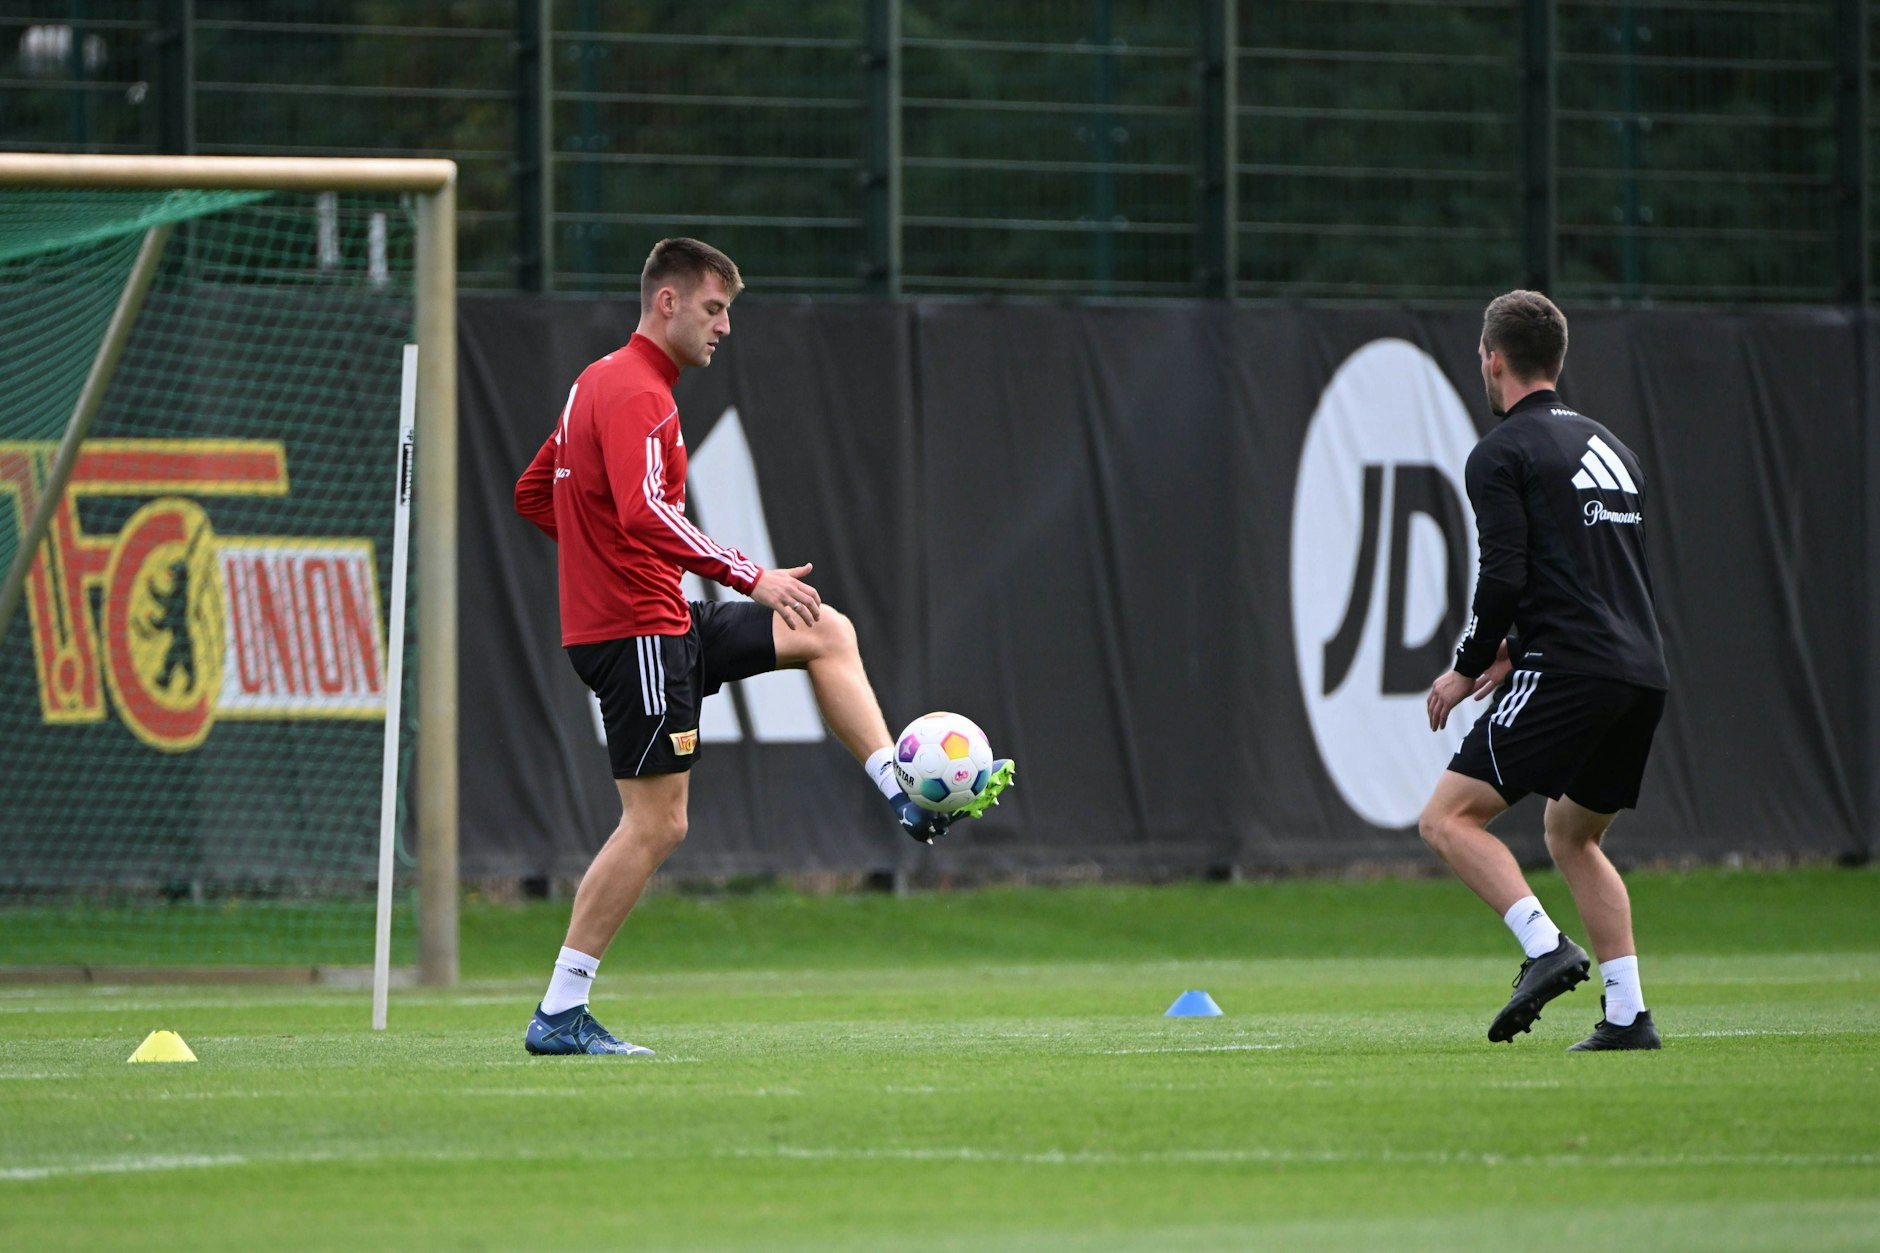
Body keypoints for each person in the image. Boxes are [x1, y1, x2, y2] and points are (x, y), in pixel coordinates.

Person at [513, 237, 1011, 1056]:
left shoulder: (593, 385)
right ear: (666, 302)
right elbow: (640, 511)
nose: (725, 328)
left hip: (658, 619)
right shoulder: (639, 392)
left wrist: (606, 551)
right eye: (714, 309)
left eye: (729, 312)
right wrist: (750, 576)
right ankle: (561, 1011)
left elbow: (539, 494)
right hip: (635, 631)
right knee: (658, 823)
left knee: (826, 631)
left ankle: (901, 791)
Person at [1419, 290, 1669, 1052]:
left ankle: (1544, 946)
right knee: (1572, 835)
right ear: (1556, 360)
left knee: (1448, 819)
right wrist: (1514, 645)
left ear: (1492, 360)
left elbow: (1503, 576)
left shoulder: (1501, 452)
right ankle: (1627, 1015)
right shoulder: (1613, 450)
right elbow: (1589, 574)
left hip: (1570, 668)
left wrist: (1467, 665)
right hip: (1639, 671)